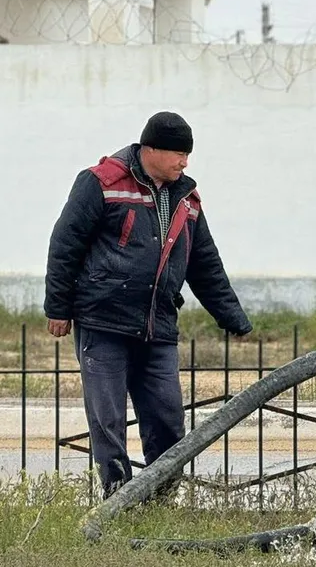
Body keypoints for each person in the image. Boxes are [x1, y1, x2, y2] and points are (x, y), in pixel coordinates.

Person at [45, 111, 252, 499]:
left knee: (168, 420)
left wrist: (233, 318)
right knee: (108, 421)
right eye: (178, 153)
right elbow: (65, 244)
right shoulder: (100, 183)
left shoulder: (187, 198)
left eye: (188, 155)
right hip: (103, 321)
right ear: (151, 149)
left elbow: (204, 263)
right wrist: (58, 307)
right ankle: (117, 499)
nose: (185, 161)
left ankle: (158, 500)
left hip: (158, 326)